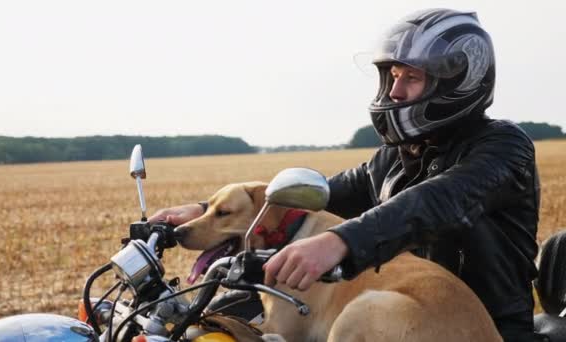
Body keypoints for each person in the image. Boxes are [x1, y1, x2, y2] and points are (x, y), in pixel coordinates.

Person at [149, 8, 540, 342]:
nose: (395, 92)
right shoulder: (393, 159)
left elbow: (436, 202)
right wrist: (205, 211)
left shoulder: (505, 148)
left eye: (411, 78)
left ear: (457, 83)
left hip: (480, 330)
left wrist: (341, 241)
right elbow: (310, 195)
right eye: (393, 77)